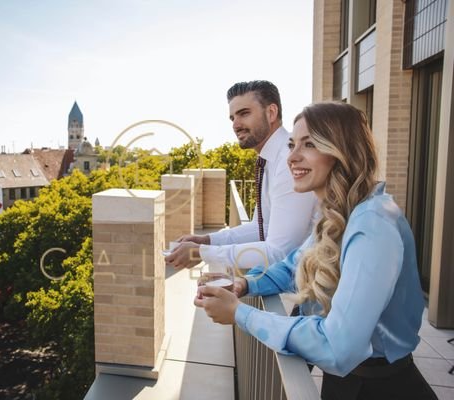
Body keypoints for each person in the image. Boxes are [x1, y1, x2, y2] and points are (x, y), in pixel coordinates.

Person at [195, 102, 437, 399]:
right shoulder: (339, 213)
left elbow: (337, 346)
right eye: (292, 144)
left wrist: (239, 314)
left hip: (383, 388)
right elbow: (293, 265)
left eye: (309, 145)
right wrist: (245, 284)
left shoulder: (373, 226)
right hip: (346, 381)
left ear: (341, 151)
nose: (292, 157)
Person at [165, 80, 317, 270]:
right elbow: (261, 226)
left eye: (244, 113)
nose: (236, 125)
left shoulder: (290, 160)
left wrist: (202, 253)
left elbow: (279, 251)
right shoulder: (269, 159)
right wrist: (207, 240)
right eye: (232, 118)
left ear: (271, 113)